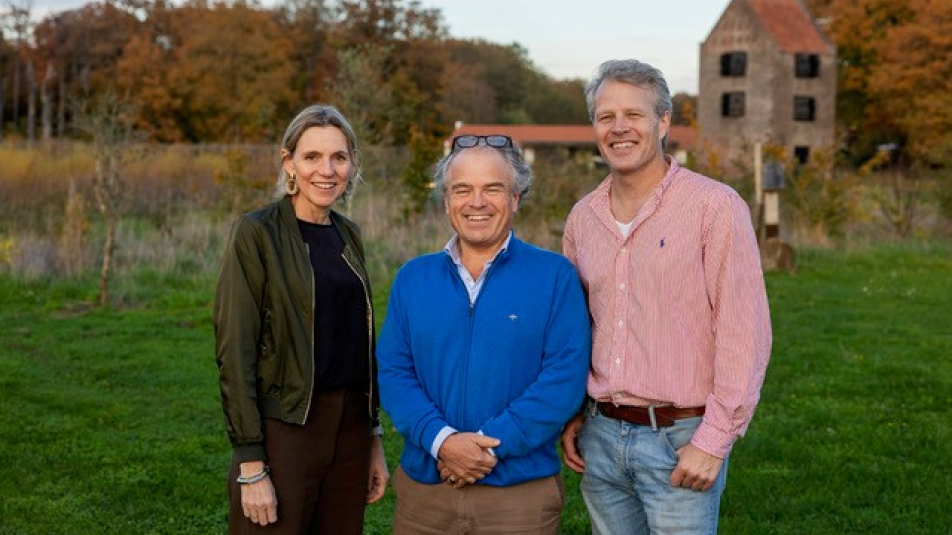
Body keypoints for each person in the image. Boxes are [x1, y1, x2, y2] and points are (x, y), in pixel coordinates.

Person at [560, 59, 772, 534]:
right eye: (605, 116)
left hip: (681, 438)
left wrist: (714, 440)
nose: (619, 128)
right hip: (602, 435)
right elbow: (578, 327)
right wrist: (573, 413)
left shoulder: (714, 206)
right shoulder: (582, 218)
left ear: (663, 123)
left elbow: (744, 330)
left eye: (633, 115)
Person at [376, 134, 592, 534]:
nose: (477, 202)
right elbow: (393, 372)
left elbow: (563, 379)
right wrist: (442, 442)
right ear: (445, 201)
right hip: (427, 492)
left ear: (515, 198)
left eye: (493, 188)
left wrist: (485, 446)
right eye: (463, 190)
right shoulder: (413, 278)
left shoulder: (554, 276)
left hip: (518, 496)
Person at [214, 104, 388, 534]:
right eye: (312, 157)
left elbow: (358, 343)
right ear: (288, 161)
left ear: (351, 165)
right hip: (287, 428)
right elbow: (235, 349)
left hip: (350, 430)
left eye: (339, 157)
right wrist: (251, 461)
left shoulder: (348, 235)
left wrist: (374, 437)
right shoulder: (256, 233)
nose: (326, 170)